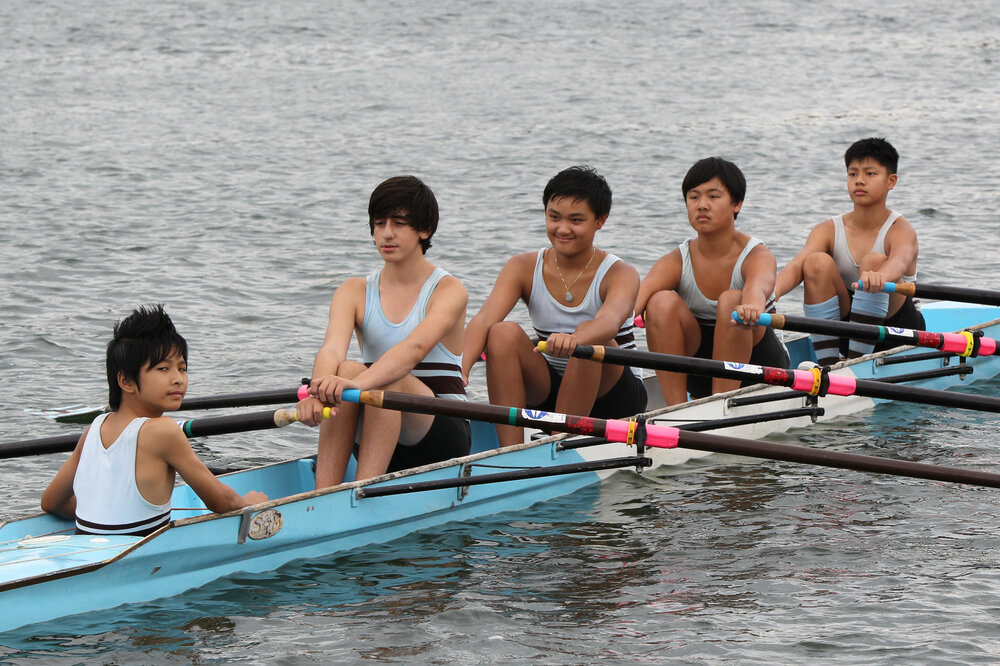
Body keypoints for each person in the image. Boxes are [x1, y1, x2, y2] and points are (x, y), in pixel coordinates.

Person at [297, 175, 470, 488]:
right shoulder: (353, 290)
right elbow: (331, 351)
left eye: (399, 223)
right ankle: (324, 493)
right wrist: (317, 394)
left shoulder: (449, 290)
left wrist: (353, 385)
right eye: (379, 223)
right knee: (346, 367)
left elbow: (413, 350)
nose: (387, 233)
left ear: (425, 230)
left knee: (381, 378)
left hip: (441, 435)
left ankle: (362, 495)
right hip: (381, 426)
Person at [41, 305, 268, 537]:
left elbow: (52, 502)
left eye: (182, 368)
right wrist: (249, 502)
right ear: (126, 381)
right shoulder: (163, 430)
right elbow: (220, 501)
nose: (178, 379)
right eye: (163, 368)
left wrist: (101, 514)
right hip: (136, 561)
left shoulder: (94, 429)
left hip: (86, 550)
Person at [462, 166, 646, 446]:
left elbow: (608, 322)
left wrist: (575, 340)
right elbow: (484, 319)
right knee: (502, 332)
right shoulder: (522, 267)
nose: (562, 229)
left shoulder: (620, 273)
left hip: (615, 395)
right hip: (550, 387)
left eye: (576, 220)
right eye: (554, 217)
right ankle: (510, 449)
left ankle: (559, 443)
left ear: (600, 220)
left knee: (592, 336)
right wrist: (458, 371)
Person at [635, 157, 788, 405]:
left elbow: (757, 288)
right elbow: (636, 298)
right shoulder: (676, 259)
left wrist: (750, 305)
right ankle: (676, 409)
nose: (702, 205)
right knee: (659, 301)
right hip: (700, 371)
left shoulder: (757, 254)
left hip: (761, 369)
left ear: (736, 204)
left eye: (713, 197)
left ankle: (720, 403)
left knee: (732, 300)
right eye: (694, 197)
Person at [774, 137, 923, 365]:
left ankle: (855, 364)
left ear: (891, 181)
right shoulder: (827, 229)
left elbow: (900, 261)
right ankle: (829, 365)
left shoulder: (901, 230)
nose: (859, 181)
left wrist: (879, 277)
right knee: (815, 262)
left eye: (870, 174)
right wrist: (767, 295)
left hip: (899, 331)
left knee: (874, 261)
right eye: (853, 174)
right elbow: (795, 266)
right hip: (849, 328)